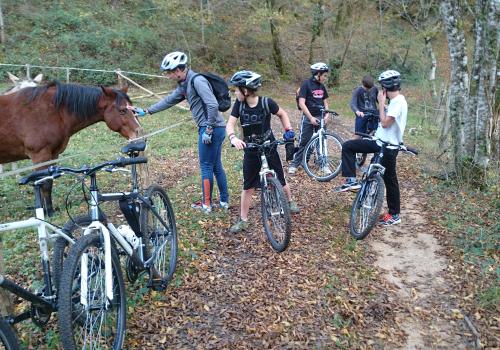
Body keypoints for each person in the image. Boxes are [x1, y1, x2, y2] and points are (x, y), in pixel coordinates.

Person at [134, 51, 228, 213]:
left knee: (206, 166)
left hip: (211, 129)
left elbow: (212, 104)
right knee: (216, 166)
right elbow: (169, 100)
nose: (168, 76)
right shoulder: (185, 84)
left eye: (169, 73)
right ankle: (224, 201)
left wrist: (208, 128)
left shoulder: (197, 81)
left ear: (178, 71)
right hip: (215, 128)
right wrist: (147, 111)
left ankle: (207, 205)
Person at [225, 70, 300, 233]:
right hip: (250, 148)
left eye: (237, 89)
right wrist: (233, 138)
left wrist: (288, 130)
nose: (235, 92)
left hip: (269, 145)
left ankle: (290, 201)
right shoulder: (239, 105)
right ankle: (243, 219)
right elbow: (230, 124)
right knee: (248, 186)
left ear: (245, 90)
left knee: (280, 177)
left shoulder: (266, 102)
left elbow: (282, 114)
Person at [335, 70, 407, 226]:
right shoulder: (396, 101)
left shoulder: (399, 101)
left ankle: (394, 214)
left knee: (389, 179)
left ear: (386, 87)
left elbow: (385, 123)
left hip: (388, 147)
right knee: (348, 146)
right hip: (379, 142)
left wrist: (381, 104)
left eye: (382, 87)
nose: (381, 91)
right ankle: (351, 180)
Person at [289, 62, 331, 175]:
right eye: (324, 75)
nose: (325, 78)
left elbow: (326, 102)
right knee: (304, 141)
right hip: (308, 117)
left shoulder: (322, 86)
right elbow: (302, 103)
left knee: (321, 141)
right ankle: (295, 164)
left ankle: (323, 164)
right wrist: (311, 117)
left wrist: (327, 114)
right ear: (318, 74)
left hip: (321, 117)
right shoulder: (306, 84)